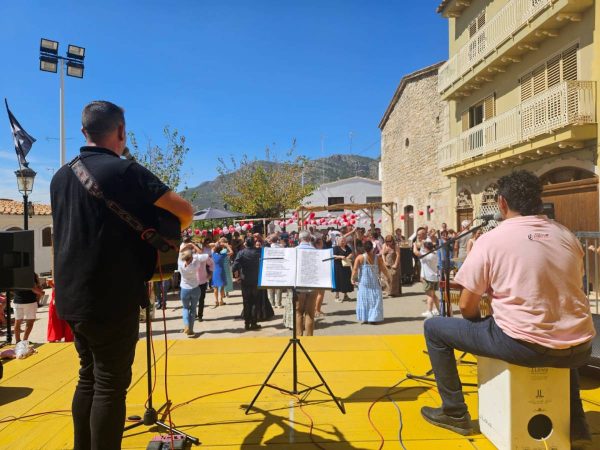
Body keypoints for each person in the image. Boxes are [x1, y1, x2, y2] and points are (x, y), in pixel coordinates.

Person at [50, 100, 193, 450]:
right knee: (111, 385)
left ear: (84, 132)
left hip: (72, 297)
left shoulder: (59, 176)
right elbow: (185, 210)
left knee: (88, 378)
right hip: (111, 296)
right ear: (120, 132)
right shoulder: (126, 171)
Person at [420, 171, 595, 449]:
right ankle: (578, 426)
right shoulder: (566, 235)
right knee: (559, 329)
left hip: (524, 345)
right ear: (539, 201)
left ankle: (454, 412)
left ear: (501, 203)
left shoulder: (493, 239)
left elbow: (466, 305)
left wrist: (477, 326)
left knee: (434, 329)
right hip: (581, 347)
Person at [352, 240, 390, 324]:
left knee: (364, 300)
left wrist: (352, 279)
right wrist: (388, 277)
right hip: (374, 282)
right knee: (375, 300)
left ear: (364, 248)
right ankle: (373, 318)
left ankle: (365, 317)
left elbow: (355, 269)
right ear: (373, 248)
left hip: (363, 282)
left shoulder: (360, 257)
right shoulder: (377, 258)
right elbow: (384, 269)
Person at [232, 237, 262, 330]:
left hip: (245, 280)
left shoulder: (241, 252)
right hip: (256, 280)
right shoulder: (259, 251)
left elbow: (234, 266)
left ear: (245, 243)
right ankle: (253, 322)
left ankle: (247, 323)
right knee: (255, 302)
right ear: (253, 243)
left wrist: (236, 277)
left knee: (246, 302)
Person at [295, 231, 318, 336]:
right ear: (309, 239)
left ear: (300, 239)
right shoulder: (315, 250)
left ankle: (299, 336)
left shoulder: (295, 250)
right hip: (312, 283)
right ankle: (309, 338)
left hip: (299, 284)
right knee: (310, 313)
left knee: (299, 312)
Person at [177, 248, 204, 336]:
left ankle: (186, 325)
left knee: (185, 308)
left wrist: (186, 247)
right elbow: (200, 254)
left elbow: (179, 253)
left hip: (185, 289)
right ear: (191, 258)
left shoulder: (180, 264)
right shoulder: (195, 264)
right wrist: (192, 245)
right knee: (193, 309)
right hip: (195, 288)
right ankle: (191, 329)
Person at [13, 273, 44, 342]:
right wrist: (41, 293)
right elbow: (34, 288)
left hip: (18, 301)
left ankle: (18, 341)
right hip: (30, 301)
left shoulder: (15, 275)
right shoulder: (30, 274)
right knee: (30, 322)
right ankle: (24, 341)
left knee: (17, 322)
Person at [420, 240, 440, 319]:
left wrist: (414, 244)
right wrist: (423, 245)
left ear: (426, 248)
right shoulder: (434, 254)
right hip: (434, 277)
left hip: (429, 278)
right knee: (433, 295)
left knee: (430, 295)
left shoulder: (427, 255)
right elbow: (422, 251)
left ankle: (429, 311)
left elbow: (416, 252)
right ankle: (439, 310)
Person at [332, 237, 354, 303]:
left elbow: (351, 253)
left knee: (346, 280)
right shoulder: (336, 248)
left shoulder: (347, 247)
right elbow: (332, 255)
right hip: (338, 267)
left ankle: (345, 295)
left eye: (344, 241)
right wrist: (340, 257)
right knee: (338, 281)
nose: (343, 242)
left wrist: (348, 257)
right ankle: (337, 296)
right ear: (338, 241)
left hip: (346, 266)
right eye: (342, 241)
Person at [211, 242, 228, 307]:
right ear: (221, 250)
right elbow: (231, 252)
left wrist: (216, 244)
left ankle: (216, 300)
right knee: (222, 286)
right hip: (221, 271)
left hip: (215, 271)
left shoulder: (213, 254)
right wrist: (226, 245)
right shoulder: (223, 255)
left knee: (215, 287)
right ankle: (221, 300)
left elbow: (212, 247)